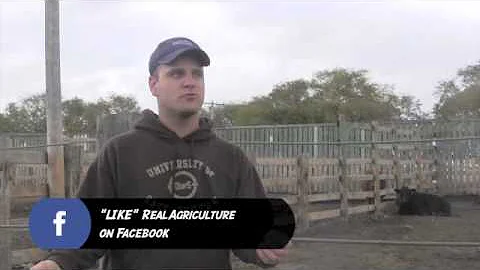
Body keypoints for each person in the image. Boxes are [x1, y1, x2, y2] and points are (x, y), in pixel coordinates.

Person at [31, 37, 289, 270]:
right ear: (154, 84)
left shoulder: (230, 157)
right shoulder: (120, 152)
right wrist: (57, 263)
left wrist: (261, 249)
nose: (190, 82)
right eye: (176, 74)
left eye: (197, 74)